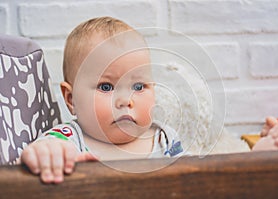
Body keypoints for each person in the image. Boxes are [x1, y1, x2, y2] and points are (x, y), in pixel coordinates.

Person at [21, 16, 183, 184]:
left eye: (138, 87)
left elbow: (190, 180)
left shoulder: (165, 138)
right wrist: (47, 154)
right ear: (71, 99)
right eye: (106, 87)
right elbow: (43, 153)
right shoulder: (68, 140)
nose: (126, 101)